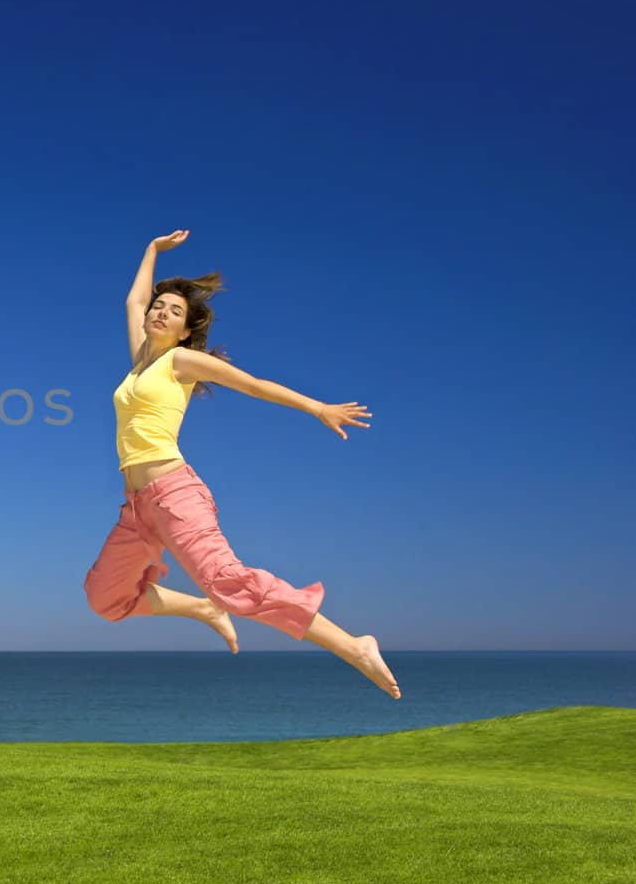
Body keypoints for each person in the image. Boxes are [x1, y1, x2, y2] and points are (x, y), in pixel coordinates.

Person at [83, 229, 401, 699]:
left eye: (173, 311)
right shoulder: (139, 363)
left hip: (174, 495)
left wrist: (318, 408)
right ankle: (202, 610)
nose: (160, 311)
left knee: (229, 582)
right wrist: (152, 250)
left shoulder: (180, 363)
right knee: (104, 597)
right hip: (136, 508)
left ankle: (355, 646)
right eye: (159, 306)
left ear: (185, 331)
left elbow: (251, 384)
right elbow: (132, 301)